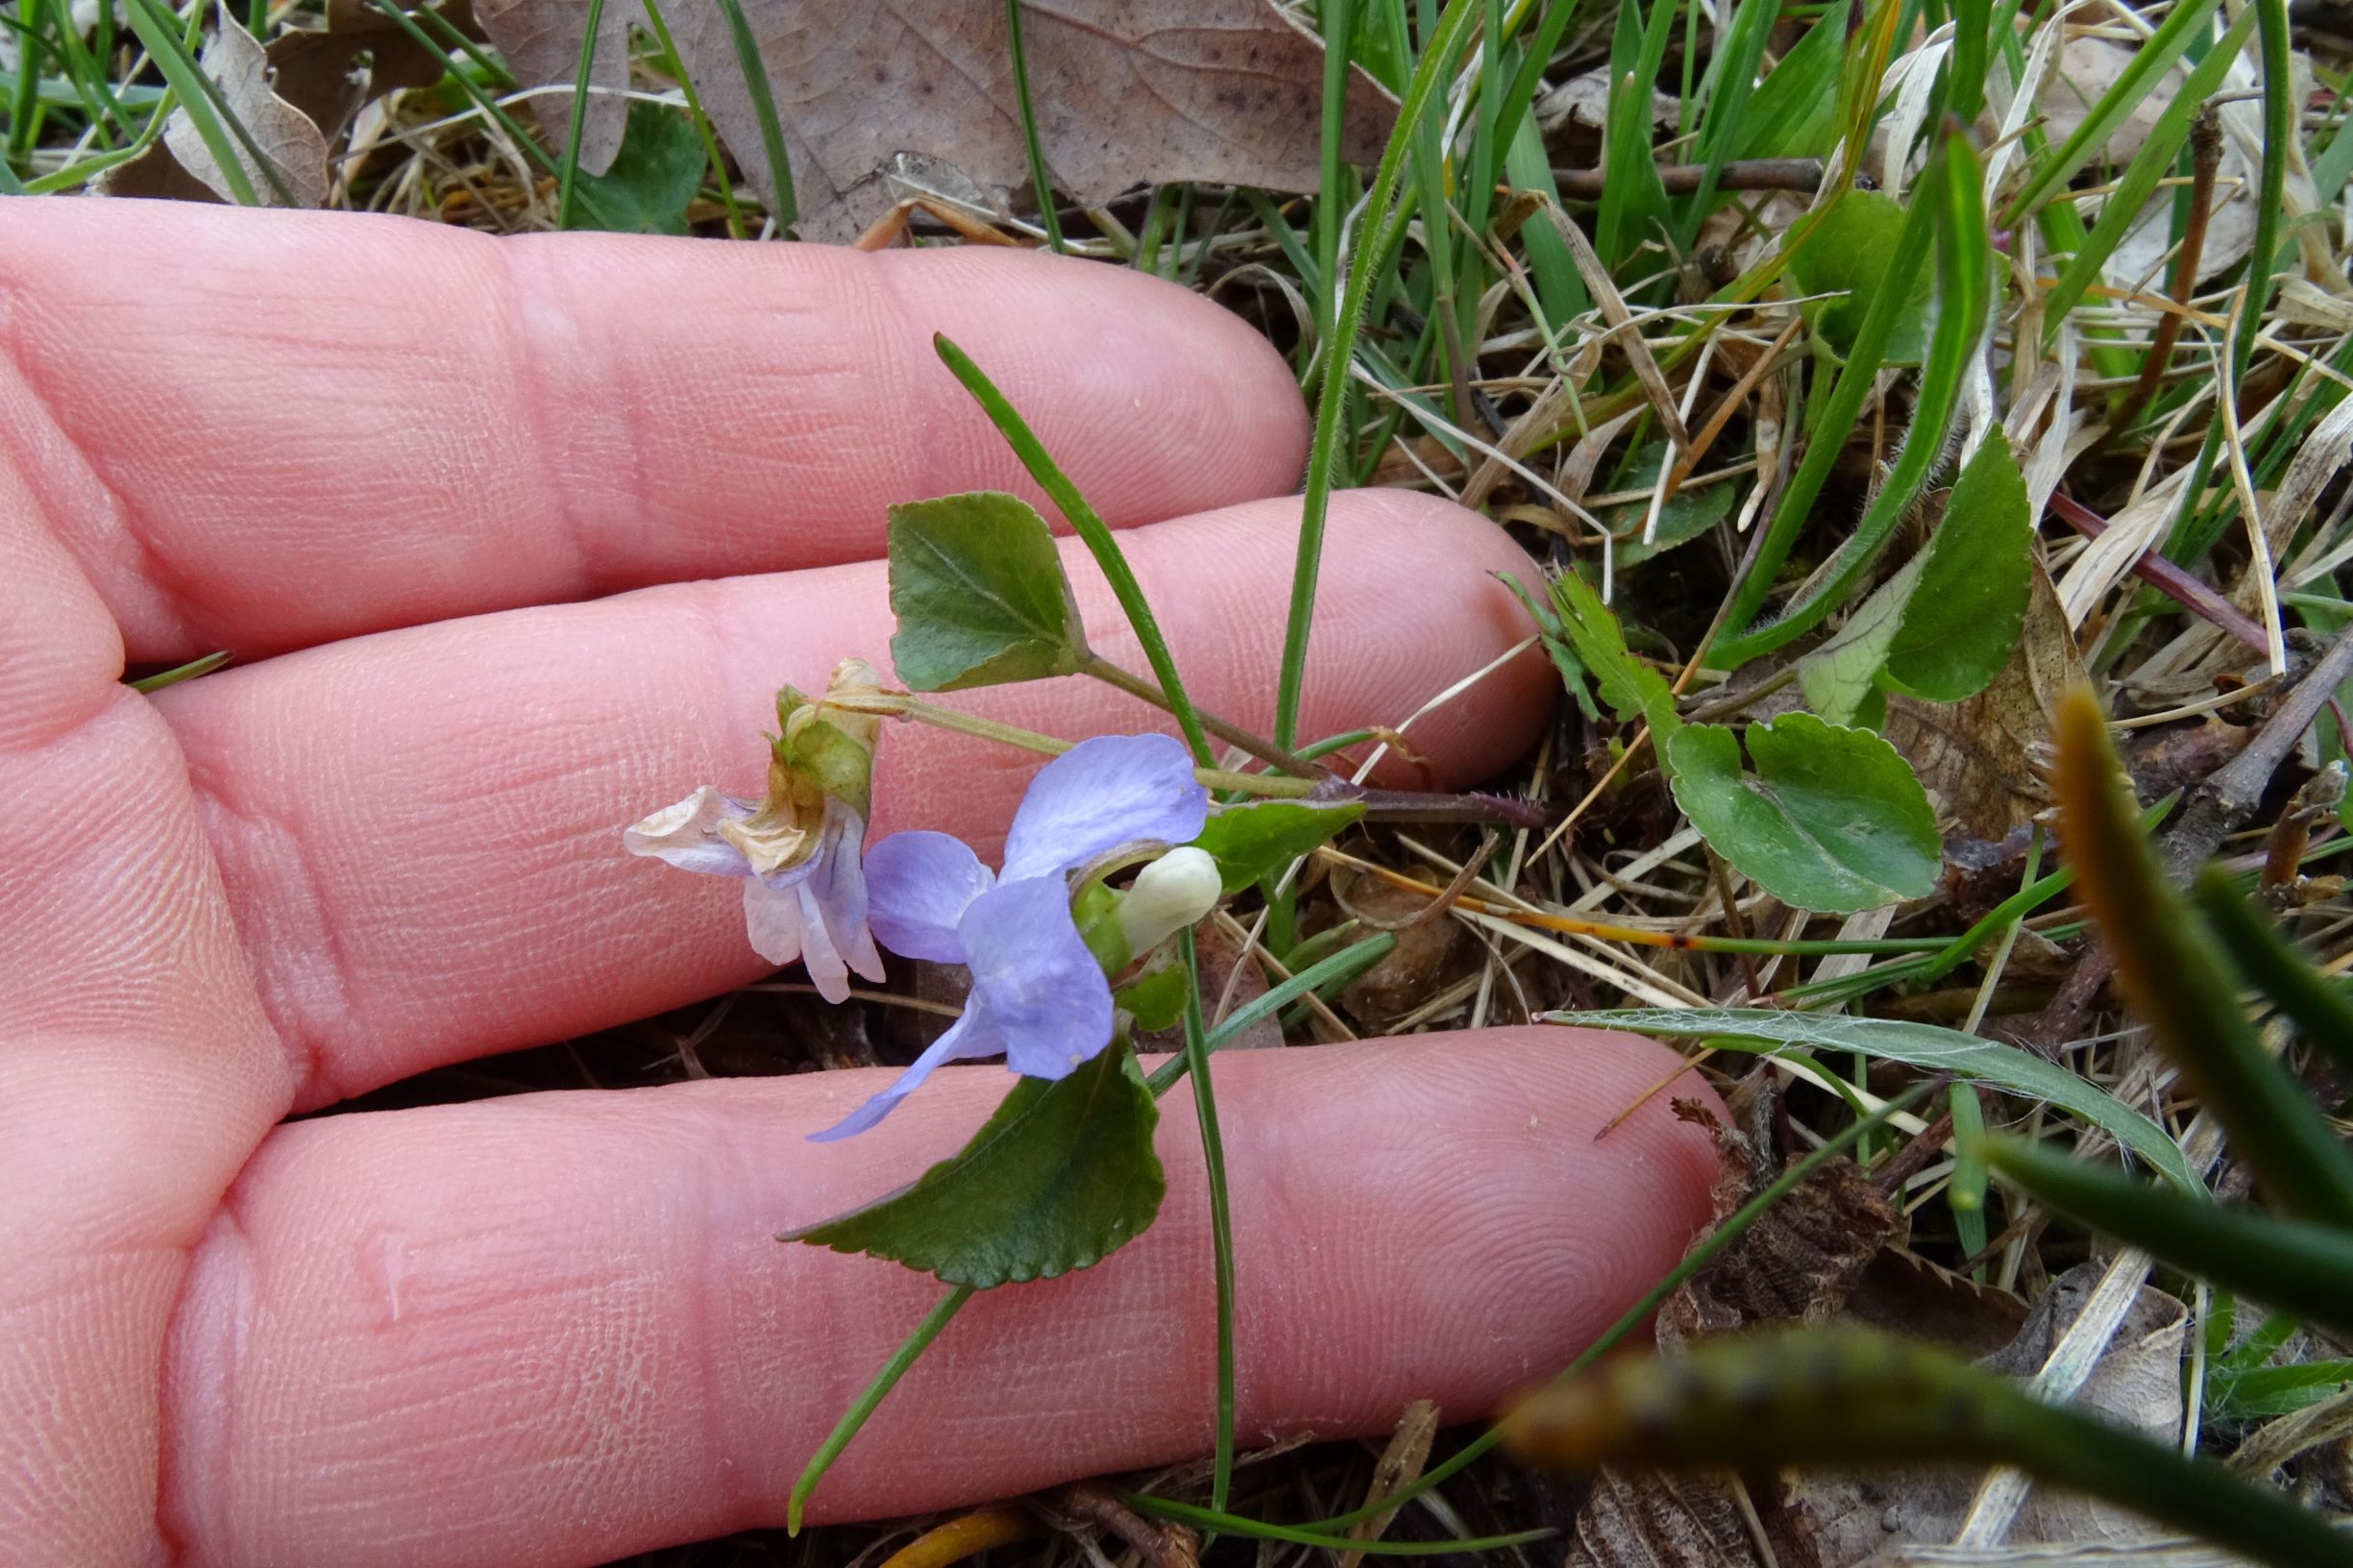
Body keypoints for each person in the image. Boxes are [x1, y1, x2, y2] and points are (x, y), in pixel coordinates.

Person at [0, 197, 1723, 1568]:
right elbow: (989, 933)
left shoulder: (1032, 878)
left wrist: (1041, 945)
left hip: (1050, 873)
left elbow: (1028, 927)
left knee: (1125, 859)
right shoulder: (1003, 879)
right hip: (1031, 876)